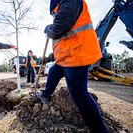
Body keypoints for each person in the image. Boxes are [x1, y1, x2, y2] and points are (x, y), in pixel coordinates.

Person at [36, 0, 108, 132]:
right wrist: (48, 59)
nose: (54, 16)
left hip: (77, 55)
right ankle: (46, 94)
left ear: (54, 6)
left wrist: (48, 29)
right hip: (67, 57)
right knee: (53, 71)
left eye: (53, 13)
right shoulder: (65, 9)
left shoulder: (69, 2)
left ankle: (100, 130)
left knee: (79, 95)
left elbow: (57, 30)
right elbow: (63, 44)